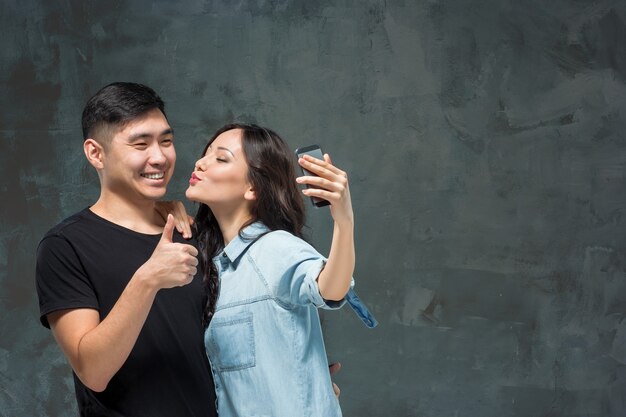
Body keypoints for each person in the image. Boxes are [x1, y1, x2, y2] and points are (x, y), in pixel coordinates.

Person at [35, 82, 217, 416]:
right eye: (140, 143)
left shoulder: (189, 229)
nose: (159, 157)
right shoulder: (65, 246)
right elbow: (93, 371)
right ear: (95, 153)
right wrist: (147, 279)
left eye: (166, 141)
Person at [185, 123, 376, 417]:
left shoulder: (274, 248)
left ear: (252, 187)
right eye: (206, 154)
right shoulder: (216, 267)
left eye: (221, 158)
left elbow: (330, 288)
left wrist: (344, 219)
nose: (200, 162)